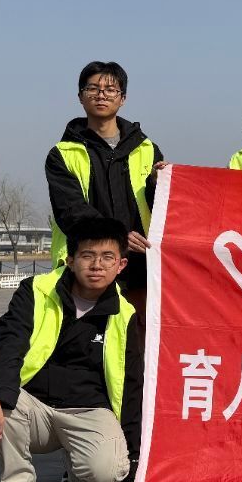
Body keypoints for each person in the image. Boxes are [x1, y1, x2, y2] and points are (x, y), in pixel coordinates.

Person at [0, 217, 143, 482]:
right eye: (88, 256)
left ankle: (79, 470)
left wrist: (133, 464)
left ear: (121, 265)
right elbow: (8, 345)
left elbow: (132, 386)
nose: (97, 265)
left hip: (89, 411)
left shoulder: (125, 314)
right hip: (35, 407)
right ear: (71, 260)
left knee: (107, 472)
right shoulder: (36, 291)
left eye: (107, 257)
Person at [45, 61, 163, 305]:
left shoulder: (147, 149)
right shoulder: (62, 154)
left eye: (110, 89)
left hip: (140, 269)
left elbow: (162, 208)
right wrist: (118, 237)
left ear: (123, 98)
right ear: (80, 97)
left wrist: (157, 184)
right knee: (89, 329)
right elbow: (71, 211)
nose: (101, 95)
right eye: (93, 89)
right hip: (88, 269)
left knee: (136, 329)